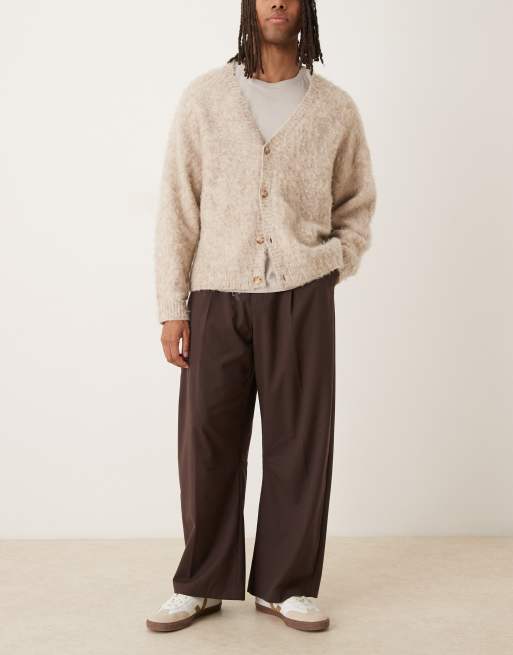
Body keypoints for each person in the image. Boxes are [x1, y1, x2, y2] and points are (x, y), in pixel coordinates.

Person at [146, 0, 376, 634]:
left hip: (302, 295)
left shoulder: (334, 109)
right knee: (207, 441)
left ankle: (287, 583)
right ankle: (201, 581)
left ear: (307, 8)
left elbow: (356, 205)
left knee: (300, 442)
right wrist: (172, 307)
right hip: (215, 293)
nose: (277, 1)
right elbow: (177, 205)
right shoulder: (205, 99)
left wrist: (330, 264)